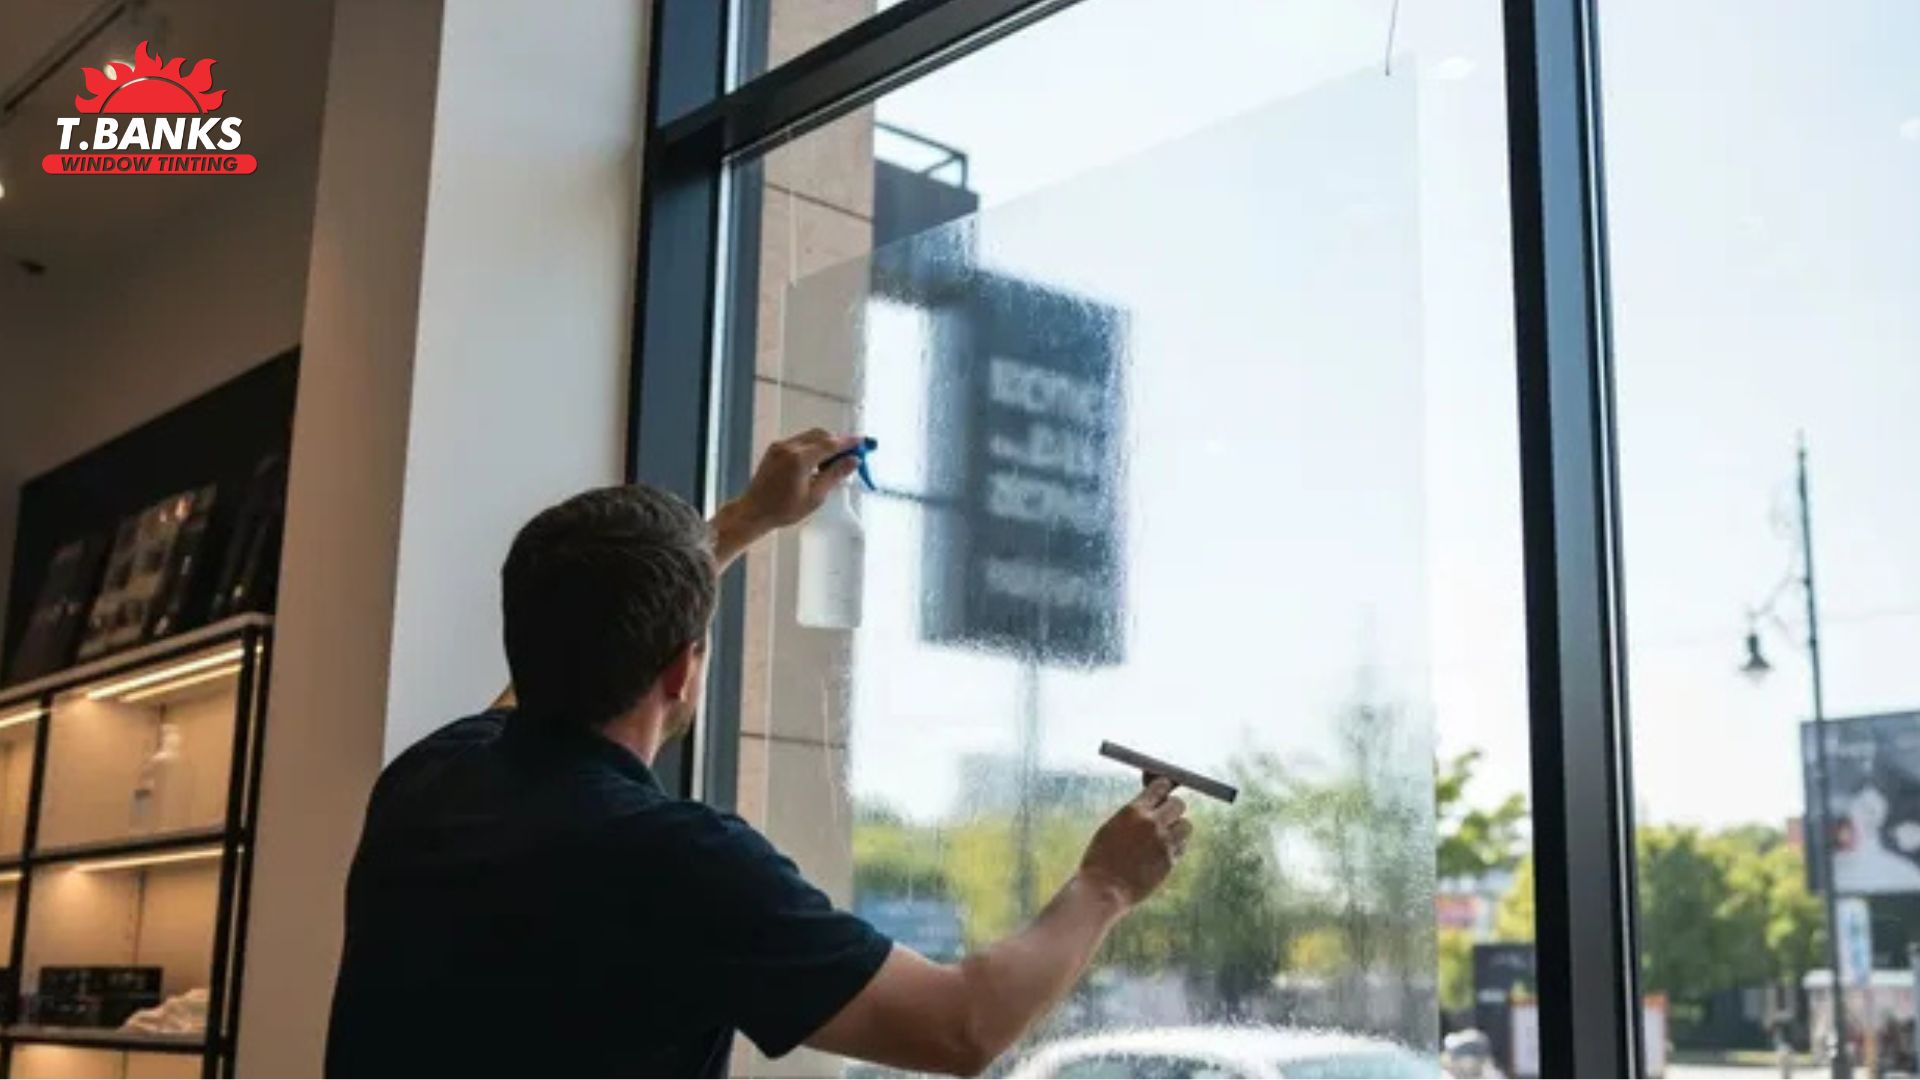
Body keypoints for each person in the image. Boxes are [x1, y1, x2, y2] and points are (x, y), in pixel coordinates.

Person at [325, 430, 1194, 1078]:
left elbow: (547, 674)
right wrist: (1106, 884)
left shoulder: (432, 776)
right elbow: (959, 1027)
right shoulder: (676, 858)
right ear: (683, 669)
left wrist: (745, 521)